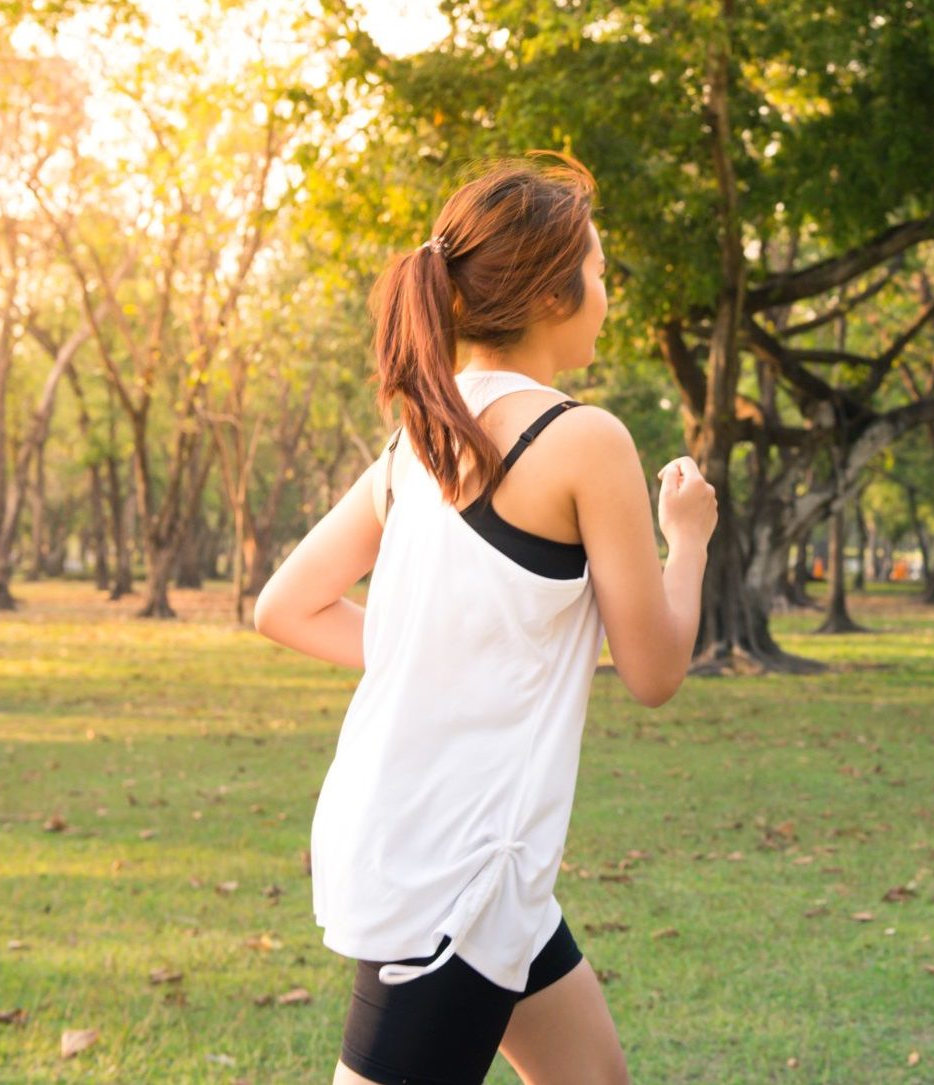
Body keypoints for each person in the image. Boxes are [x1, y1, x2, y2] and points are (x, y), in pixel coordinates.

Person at [252, 150, 717, 1085]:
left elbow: (285, 606)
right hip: (452, 873)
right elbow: (656, 670)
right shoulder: (584, 439)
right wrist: (690, 537)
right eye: (596, 271)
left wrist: (436, 658)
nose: (606, 293)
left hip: (472, 859)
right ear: (551, 293)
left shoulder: (419, 438)